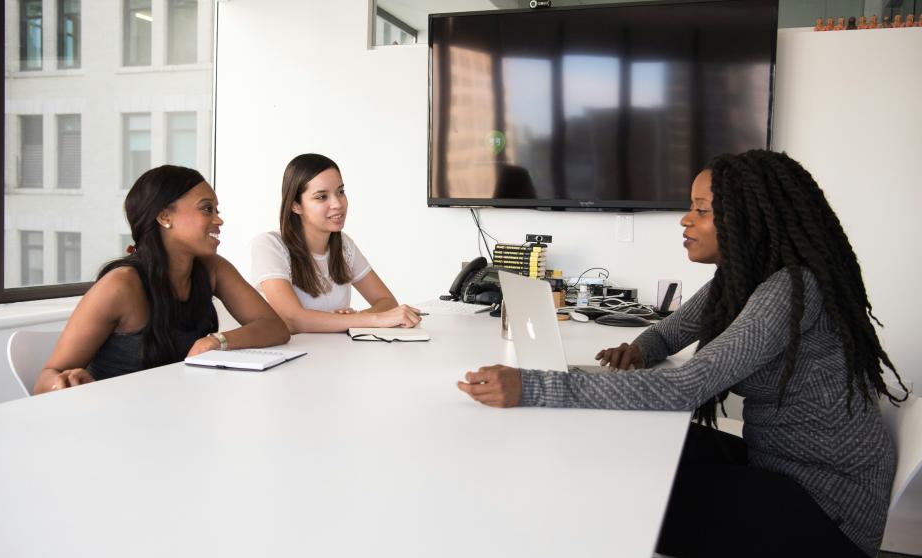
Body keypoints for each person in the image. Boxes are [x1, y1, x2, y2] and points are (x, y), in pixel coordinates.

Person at [457, 150, 908, 557]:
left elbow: (686, 387)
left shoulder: (791, 289)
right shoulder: (740, 282)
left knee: (617, 494)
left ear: (748, 218)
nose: (685, 220)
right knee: (627, 446)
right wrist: (639, 350)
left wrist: (533, 386)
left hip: (826, 509)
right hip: (776, 462)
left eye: (701, 210)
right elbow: (668, 334)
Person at [34, 166, 290, 394]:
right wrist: (63, 382)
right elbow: (45, 380)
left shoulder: (213, 268)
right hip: (119, 419)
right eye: (206, 209)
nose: (218, 219)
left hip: (180, 410)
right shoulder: (121, 285)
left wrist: (217, 341)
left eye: (216, 210)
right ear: (165, 216)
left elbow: (274, 327)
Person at [251, 153, 421, 333]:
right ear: (295, 205)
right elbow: (293, 319)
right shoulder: (269, 245)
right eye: (321, 197)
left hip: (336, 349)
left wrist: (352, 319)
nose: (338, 204)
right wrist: (368, 319)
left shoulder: (344, 245)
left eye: (340, 192)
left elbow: (387, 301)